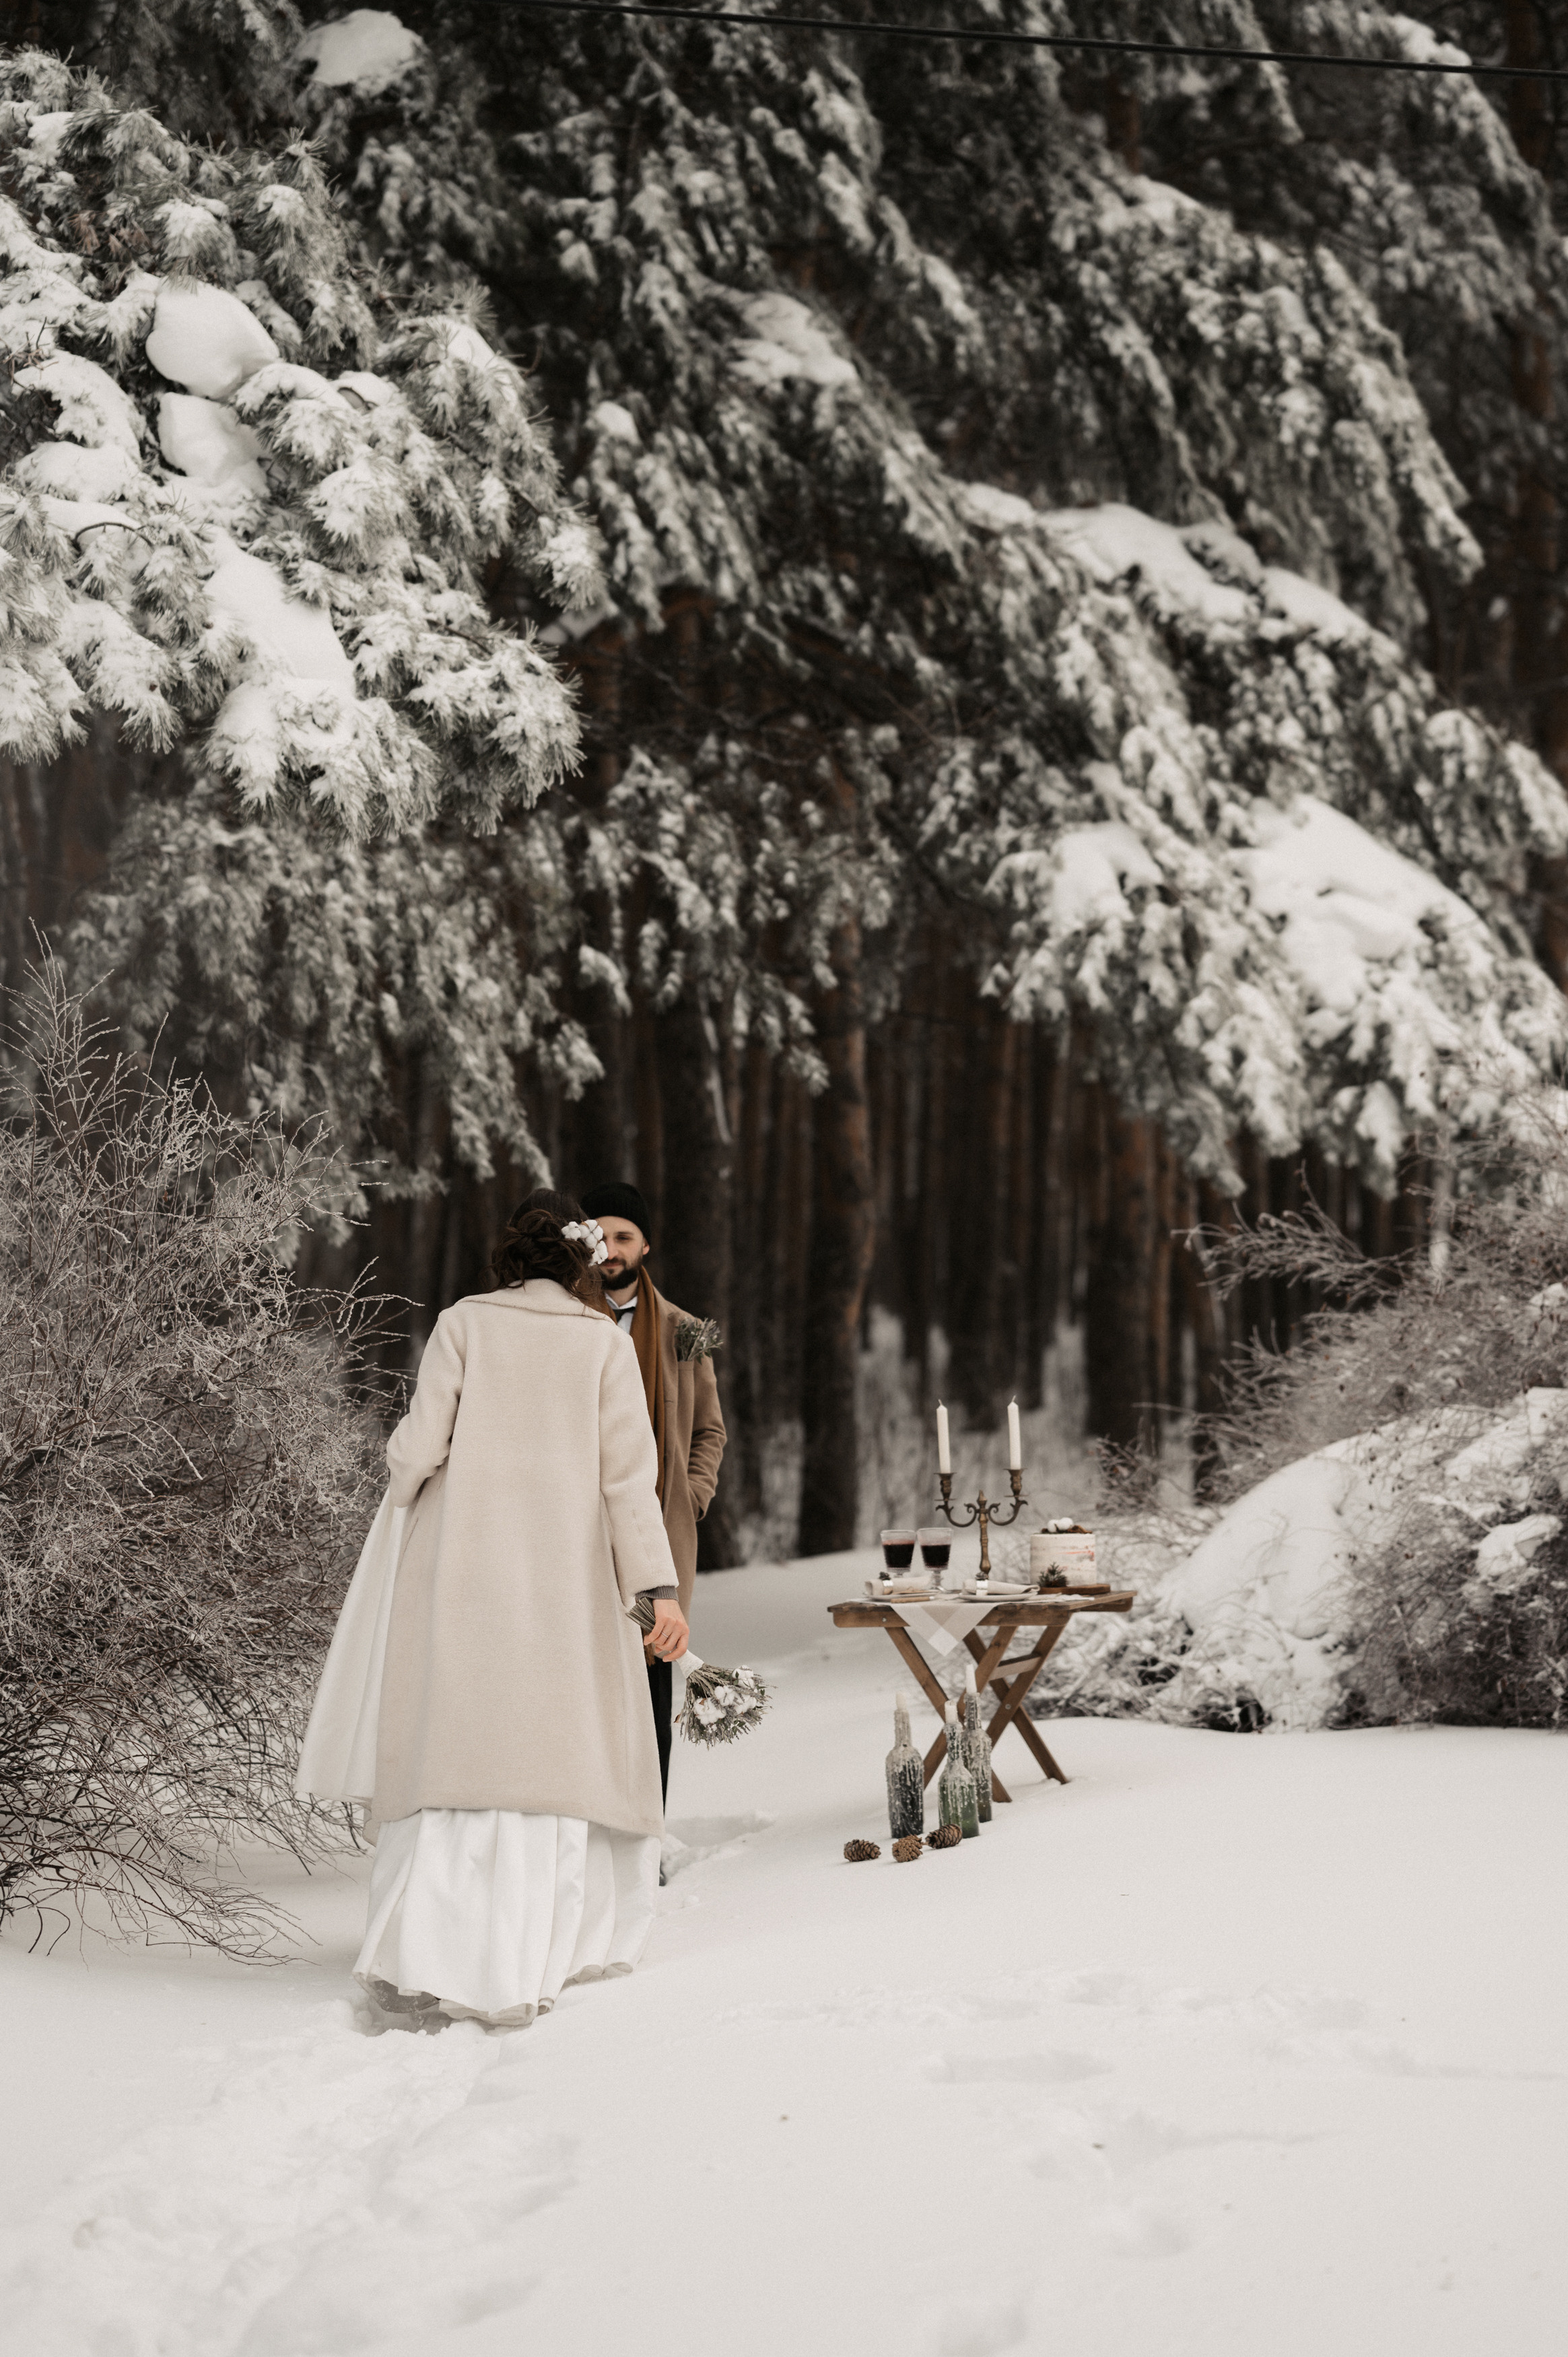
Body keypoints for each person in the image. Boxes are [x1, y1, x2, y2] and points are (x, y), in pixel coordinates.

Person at [298, 1190, 688, 2030]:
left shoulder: (463, 1323)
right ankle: (545, 1942)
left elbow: (417, 1450)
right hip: (569, 1574)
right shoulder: (601, 1345)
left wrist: (404, 1470)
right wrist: (658, 1589)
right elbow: (629, 1480)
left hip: (462, 1566)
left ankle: (431, 1946)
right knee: (553, 1743)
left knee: (460, 1736)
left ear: (508, 1254)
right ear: (581, 1258)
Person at [579, 1182, 726, 1806]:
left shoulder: (682, 1330)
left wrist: (691, 1496)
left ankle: (647, 1830)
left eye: (623, 1238)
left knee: (651, 1674)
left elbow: (709, 1430)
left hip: (657, 1532)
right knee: (584, 1676)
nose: (610, 1250)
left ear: (645, 1245)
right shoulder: (566, 1320)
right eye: (600, 1237)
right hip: (580, 1526)